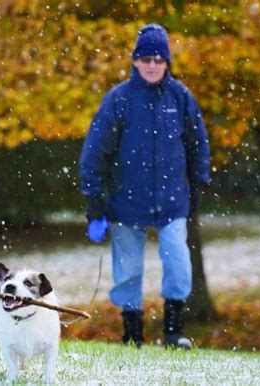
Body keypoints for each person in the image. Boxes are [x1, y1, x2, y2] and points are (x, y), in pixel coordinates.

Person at [79, 23, 210, 349]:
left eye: (158, 58)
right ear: (135, 61)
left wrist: (199, 186)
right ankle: (132, 335)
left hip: (172, 201)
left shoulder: (180, 97)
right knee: (128, 270)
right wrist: (94, 197)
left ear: (167, 62)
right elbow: (95, 151)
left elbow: (198, 145)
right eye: (145, 58)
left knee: (179, 265)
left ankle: (173, 332)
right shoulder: (118, 100)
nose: (152, 64)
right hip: (126, 202)